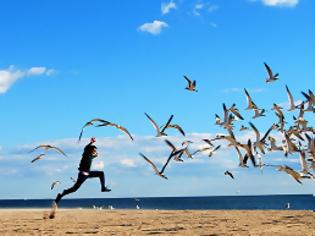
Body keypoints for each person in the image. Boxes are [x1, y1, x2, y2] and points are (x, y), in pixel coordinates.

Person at [54, 137, 111, 204]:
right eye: (94, 150)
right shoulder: (86, 154)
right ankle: (61, 195)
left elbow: (93, 157)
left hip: (88, 173)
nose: (95, 151)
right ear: (90, 150)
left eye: (95, 151)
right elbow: (86, 147)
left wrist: (96, 155)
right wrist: (91, 142)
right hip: (83, 174)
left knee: (101, 173)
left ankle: (103, 188)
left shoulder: (90, 156)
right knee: (74, 189)